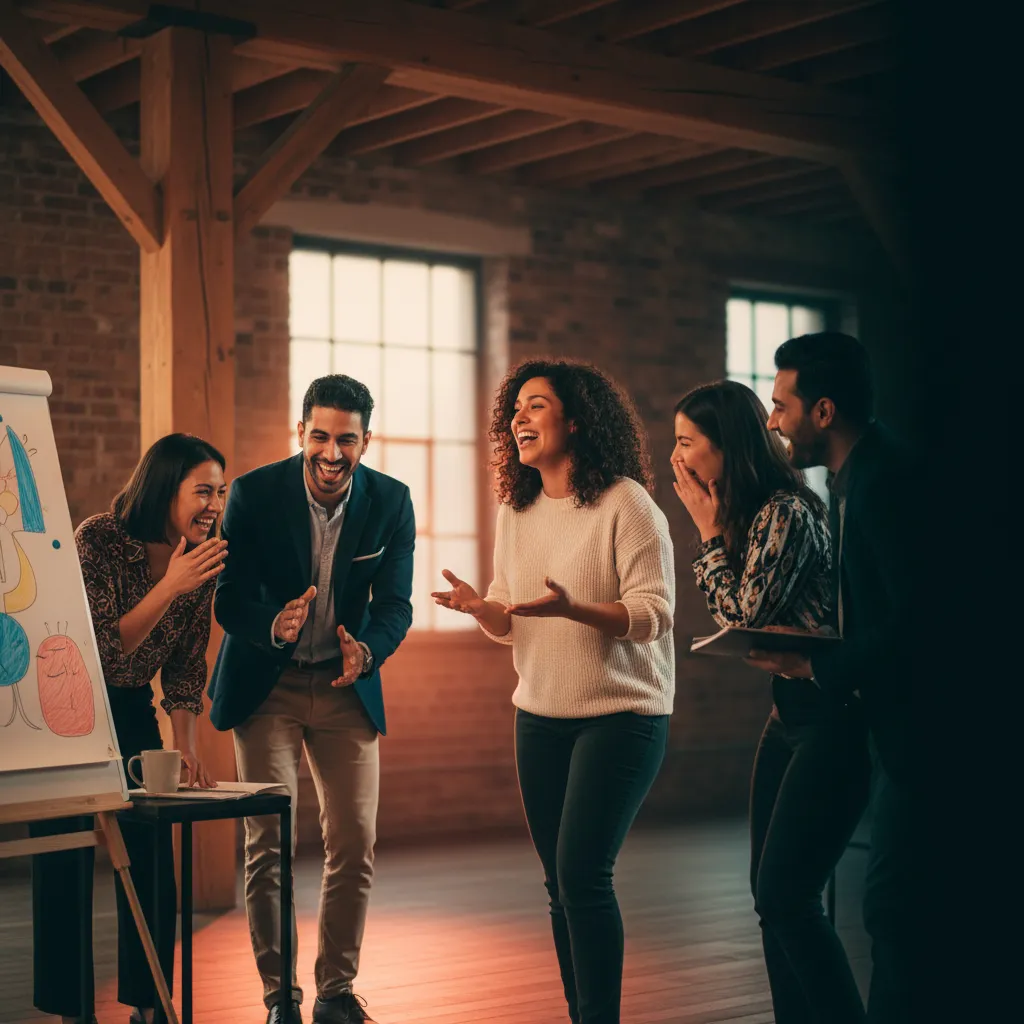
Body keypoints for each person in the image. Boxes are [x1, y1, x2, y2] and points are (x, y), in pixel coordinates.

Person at [431, 359, 674, 1024]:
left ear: (575, 420)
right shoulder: (520, 508)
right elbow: (513, 622)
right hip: (538, 714)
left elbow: (654, 616)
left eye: (536, 406)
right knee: (558, 886)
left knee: (583, 876)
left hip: (622, 716)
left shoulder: (627, 503)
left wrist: (578, 609)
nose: (519, 418)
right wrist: (483, 608)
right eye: (515, 408)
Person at [209, 374, 415, 1024]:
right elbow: (230, 598)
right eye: (320, 436)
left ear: (366, 440)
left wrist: (369, 650)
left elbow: (398, 606)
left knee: (354, 840)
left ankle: (333, 993)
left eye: (346, 440)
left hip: (343, 683)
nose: (332, 453)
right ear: (301, 432)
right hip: (266, 686)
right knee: (267, 842)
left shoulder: (392, 502)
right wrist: (274, 624)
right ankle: (280, 1000)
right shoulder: (254, 494)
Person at [672, 380, 870, 1024]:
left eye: (686, 443)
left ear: (725, 446)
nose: (676, 459)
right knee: (771, 895)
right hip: (787, 713)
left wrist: (704, 532)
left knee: (788, 895)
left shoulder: (786, 510)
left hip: (832, 718)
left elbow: (745, 610)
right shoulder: (754, 512)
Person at [747, 332, 918, 1024]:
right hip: (882, 729)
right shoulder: (849, 484)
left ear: (823, 412)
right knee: (883, 909)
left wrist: (815, 662)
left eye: (782, 404)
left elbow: (918, 627)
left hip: (914, 737)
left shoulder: (885, 487)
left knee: (894, 913)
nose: (773, 421)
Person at [31, 433, 228, 1024]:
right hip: (66, 709)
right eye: (202, 491)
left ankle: (149, 1002)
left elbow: (189, 664)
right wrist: (170, 585)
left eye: (221, 490)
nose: (214, 503)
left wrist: (186, 747)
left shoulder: (206, 555)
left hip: (130, 707)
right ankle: (72, 1010)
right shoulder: (99, 539)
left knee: (150, 855)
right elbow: (104, 654)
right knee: (63, 860)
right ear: (167, 490)